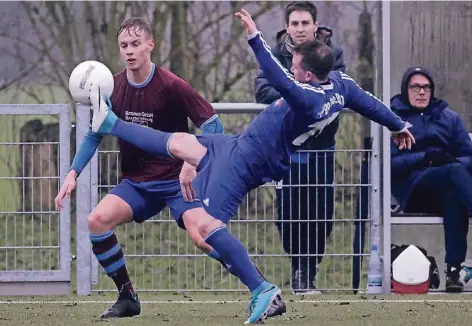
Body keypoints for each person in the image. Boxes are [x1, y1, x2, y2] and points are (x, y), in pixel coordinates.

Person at [86, 9, 413, 324]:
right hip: (239, 144)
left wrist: (255, 37)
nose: (292, 71)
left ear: (308, 75)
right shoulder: (340, 85)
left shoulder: (307, 98)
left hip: (248, 160)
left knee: (205, 228)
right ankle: (112, 123)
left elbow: (275, 76)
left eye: (295, 67)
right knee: (178, 143)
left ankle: (263, 290)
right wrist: (398, 125)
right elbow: (370, 103)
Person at [54, 17, 226, 319]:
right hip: (138, 182)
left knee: (203, 236)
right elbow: (95, 133)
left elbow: (213, 124)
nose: (130, 51)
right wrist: (72, 173)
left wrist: (190, 162)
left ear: (150, 45)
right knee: (97, 220)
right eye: (124, 45)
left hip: (177, 181)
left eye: (136, 44)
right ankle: (127, 297)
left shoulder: (172, 85)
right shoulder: (114, 87)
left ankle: (259, 287)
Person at [254, 0, 346, 294]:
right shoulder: (275, 55)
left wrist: (296, 93)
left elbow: (338, 89)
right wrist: (300, 95)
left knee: (320, 214)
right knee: (288, 215)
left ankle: (308, 272)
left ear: (315, 26)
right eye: (295, 23)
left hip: (322, 147)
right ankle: (297, 267)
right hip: (287, 149)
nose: (300, 28)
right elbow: (261, 90)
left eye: (306, 23)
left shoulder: (333, 54)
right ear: (287, 27)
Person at [390, 66, 472, 293]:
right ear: (406, 90)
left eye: (426, 87)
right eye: (415, 87)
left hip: (447, 183)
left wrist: (447, 162)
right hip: (412, 189)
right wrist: (425, 158)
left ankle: (454, 271)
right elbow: (390, 164)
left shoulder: (449, 118)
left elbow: (469, 156)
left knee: (454, 195)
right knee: (454, 173)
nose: (421, 92)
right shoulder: (393, 119)